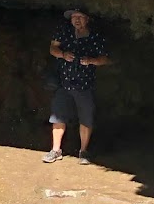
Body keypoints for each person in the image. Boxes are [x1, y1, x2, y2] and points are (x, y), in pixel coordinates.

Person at [45, 9, 110, 164]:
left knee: (86, 118)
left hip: (84, 85)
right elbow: (53, 48)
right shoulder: (64, 32)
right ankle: (56, 150)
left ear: (87, 19)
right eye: (74, 17)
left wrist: (91, 61)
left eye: (80, 17)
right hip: (64, 83)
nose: (77, 20)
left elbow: (105, 59)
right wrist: (63, 54)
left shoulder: (95, 37)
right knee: (58, 116)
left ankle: (83, 152)